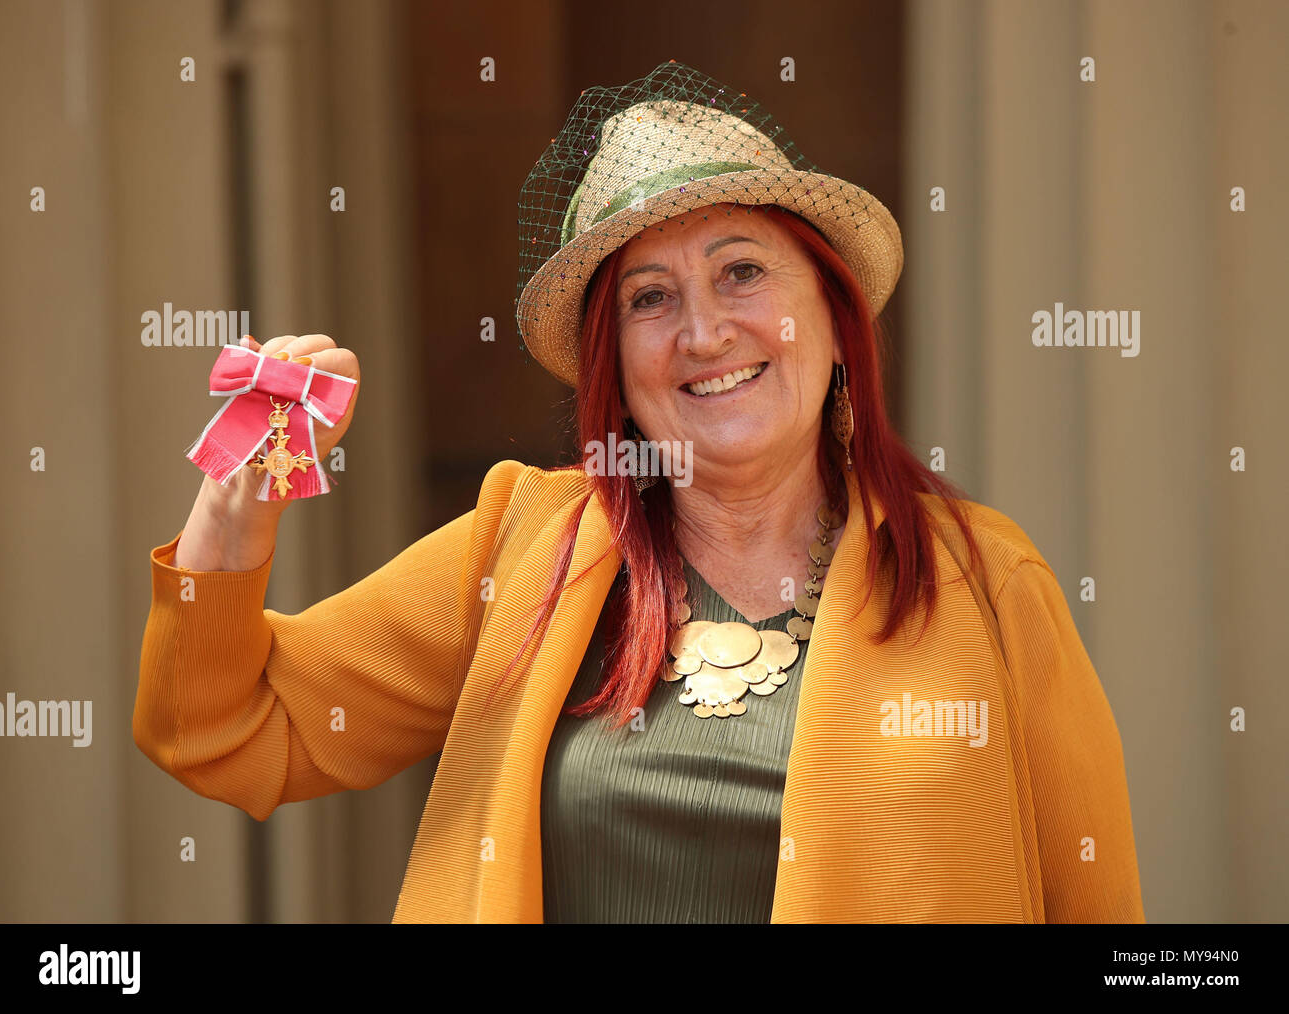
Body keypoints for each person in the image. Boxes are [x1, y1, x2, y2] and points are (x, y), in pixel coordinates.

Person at [134, 61, 1144, 923]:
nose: (702, 333)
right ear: (614, 363)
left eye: (741, 271)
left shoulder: (987, 580)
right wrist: (237, 501)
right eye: (650, 298)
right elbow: (229, 734)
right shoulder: (518, 548)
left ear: (835, 324)